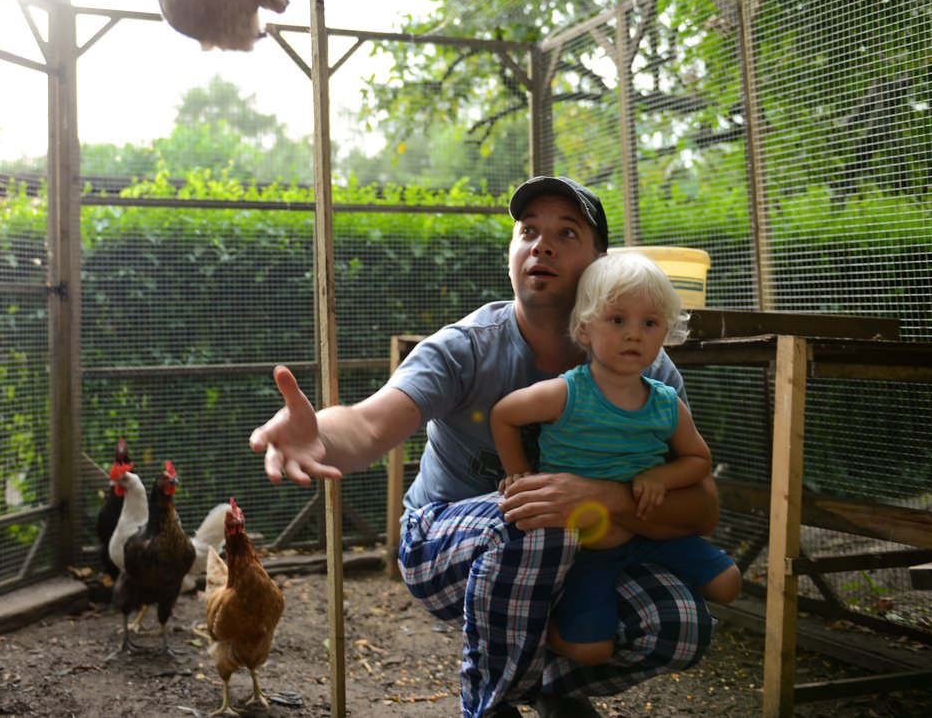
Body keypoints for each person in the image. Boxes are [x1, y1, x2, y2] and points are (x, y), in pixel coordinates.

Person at [249, 176, 721, 718]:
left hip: (584, 552)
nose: (540, 245)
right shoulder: (467, 348)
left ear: (599, 262)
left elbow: (702, 509)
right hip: (443, 544)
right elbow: (369, 424)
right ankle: (490, 704)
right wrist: (321, 435)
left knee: (679, 623)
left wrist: (604, 497)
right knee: (537, 521)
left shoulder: (647, 368)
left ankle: (552, 688)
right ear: (512, 253)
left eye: (566, 233)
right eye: (527, 231)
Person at [490, 251, 741, 667]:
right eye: (617, 320)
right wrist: (517, 473)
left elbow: (698, 459)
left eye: (649, 323)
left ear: (665, 333)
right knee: (591, 651)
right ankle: (542, 634)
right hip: (588, 548)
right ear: (585, 329)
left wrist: (662, 477)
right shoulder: (565, 393)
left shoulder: (666, 403)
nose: (633, 335)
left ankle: (644, 607)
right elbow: (504, 415)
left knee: (728, 584)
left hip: (652, 531)